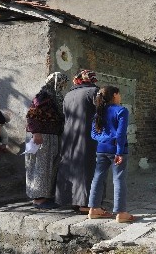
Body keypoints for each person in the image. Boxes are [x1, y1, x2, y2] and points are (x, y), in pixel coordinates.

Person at [87, 86, 136, 223]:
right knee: (119, 179)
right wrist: (119, 151)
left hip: (101, 149)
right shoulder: (121, 110)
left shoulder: (99, 113)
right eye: (119, 94)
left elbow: (93, 134)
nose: (120, 97)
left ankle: (94, 209)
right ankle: (121, 213)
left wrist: (104, 140)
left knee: (97, 178)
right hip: (117, 150)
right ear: (115, 95)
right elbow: (120, 134)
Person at [55, 69, 99, 214]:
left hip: (69, 135)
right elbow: (101, 114)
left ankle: (69, 199)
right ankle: (85, 204)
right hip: (87, 135)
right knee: (86, 167)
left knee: (70, 166)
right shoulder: (94, 92)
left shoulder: (68, 94)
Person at [25, 72, 69, 210]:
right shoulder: (44, 97)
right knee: (41, 167)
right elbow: (32, 115)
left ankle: (44, 197)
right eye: (62, 83)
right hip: (42, 136)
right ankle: (39, 199)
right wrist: (36, 132)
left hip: (52, 136)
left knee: (49, 167)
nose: (63, 86)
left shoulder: (55, 97)